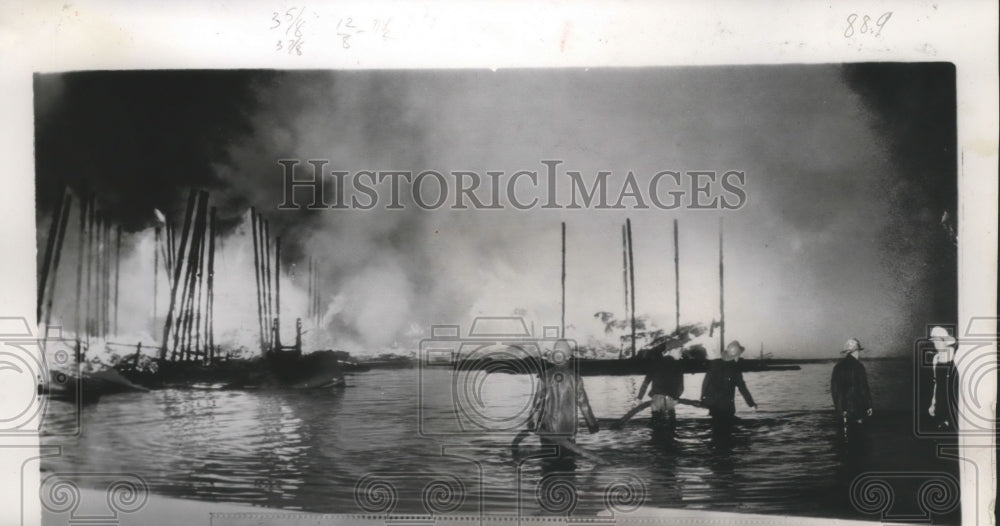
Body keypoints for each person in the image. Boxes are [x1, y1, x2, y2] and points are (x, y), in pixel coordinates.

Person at [527, 340, 601, 460]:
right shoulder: (576, 378)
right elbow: (584, 405)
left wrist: (531, 422)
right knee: (568, 465)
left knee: (548, 466)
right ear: (568, 358)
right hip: (568, 431)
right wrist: (592, 424)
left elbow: (537, 404)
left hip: (548, 432)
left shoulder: (545, 376)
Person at [700, 340, 757, 430]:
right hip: (726, 408)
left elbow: (705, 382)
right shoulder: (735, 369)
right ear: (736, 356)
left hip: (713, 407)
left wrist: (703, 398)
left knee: (716, 433)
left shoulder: (714, 364)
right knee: (726, 436)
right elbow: (742, 388)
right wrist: (751, 404)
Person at [830, 338, 873, 440]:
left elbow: (834, 390)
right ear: (856, 351)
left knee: (844, 436)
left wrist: (839, 407)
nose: (859, 354)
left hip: (842, 407)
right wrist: (869, 405)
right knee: (859, 436)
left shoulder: (838, 367)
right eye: (858, 351)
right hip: (857, 406)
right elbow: (863, 388)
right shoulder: (859, 367)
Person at [637, 346, 684, 426]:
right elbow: (680, 386)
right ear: (672, 350)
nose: (681, 355)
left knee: (656, 424)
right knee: (671, 425)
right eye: (679, 351)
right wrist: (676, 397)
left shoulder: (655, 363)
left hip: (656, 398)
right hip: (670, 399)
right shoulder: (678, 365)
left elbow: (646, 382)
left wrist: (639, 397)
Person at [928, 326, 958, 431]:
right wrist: (933, 403)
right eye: (934, 341)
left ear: (945, 341)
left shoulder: (955, 355)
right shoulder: (935, 359)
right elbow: (936, 382)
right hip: (941, 400)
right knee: (941, 430)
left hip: (954, 401)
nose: (936, 343)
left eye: (938, 340)